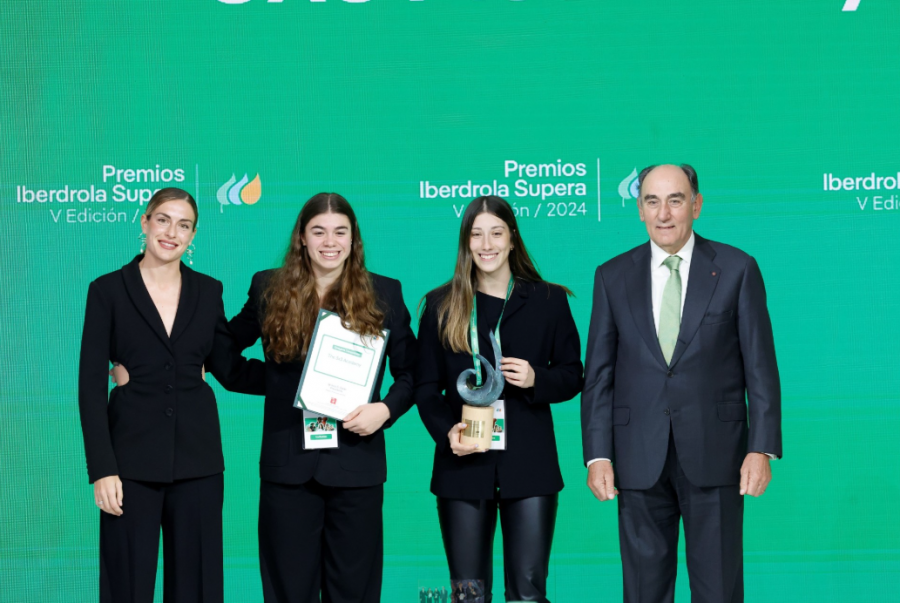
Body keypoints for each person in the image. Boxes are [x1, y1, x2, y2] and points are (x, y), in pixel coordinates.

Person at [581, 164, 782, 602]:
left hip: (718, 453)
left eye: (675, 200)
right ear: (639, 209)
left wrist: (760, 447)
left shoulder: (736, 268)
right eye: (652, 201)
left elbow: (761, 368)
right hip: (637, 459)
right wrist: (597, 456)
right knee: (643, 592)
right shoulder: (611, 276)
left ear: (696, 205)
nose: (664, 213)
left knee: (718, 590)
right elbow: (598, 375)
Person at [227, 192, 417, 603]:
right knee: (287, 591)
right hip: (288, 465)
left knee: (354, 591)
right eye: (319, 231)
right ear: (301, 238)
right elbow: (224, 352)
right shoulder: (269, 287)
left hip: (357, 463)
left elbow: (413, 372)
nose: (330, 242)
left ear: (354, 240)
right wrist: (283, 387)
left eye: (340, 232)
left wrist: (384, 410)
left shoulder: (384, 292)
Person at [78, 187, 265, 602]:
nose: (171, 232)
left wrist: (299, 382)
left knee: (197, 587)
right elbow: (90, 384)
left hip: (198, 462)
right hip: (128, 463)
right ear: (144, 222)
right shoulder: (107, 290)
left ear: (193, 235)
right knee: (126, 584)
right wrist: (102, 469)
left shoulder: (208, 290)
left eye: (184, 225)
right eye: (163, 219)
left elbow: (230, 370)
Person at [416, 196, 583, 603]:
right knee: (468, 594)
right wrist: (446, 433)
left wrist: (534, 378)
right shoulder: (440, 305)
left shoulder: (548, 300)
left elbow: (573, 374)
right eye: (476, 234)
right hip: (463, 466)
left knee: (527, 593)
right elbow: (424, 388)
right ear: (465, 243)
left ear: (512, 240)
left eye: (496, 233)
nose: (486, 244)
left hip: (530, 468)